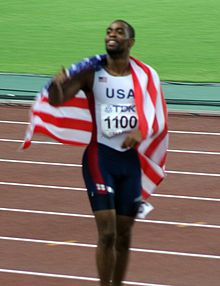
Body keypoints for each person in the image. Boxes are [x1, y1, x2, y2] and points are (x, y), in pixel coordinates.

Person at [42, 19, 168, 286]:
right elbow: (57, 100)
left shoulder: (145, 77)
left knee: (124, 234)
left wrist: (141, 132)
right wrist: (56, 85)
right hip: (101, 158)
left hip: (130, 162)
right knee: (108, 233)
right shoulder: (91, 73)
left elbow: (156, 114)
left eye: (119, 32)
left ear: (130, 42)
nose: (112, 35)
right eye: (109, 31)